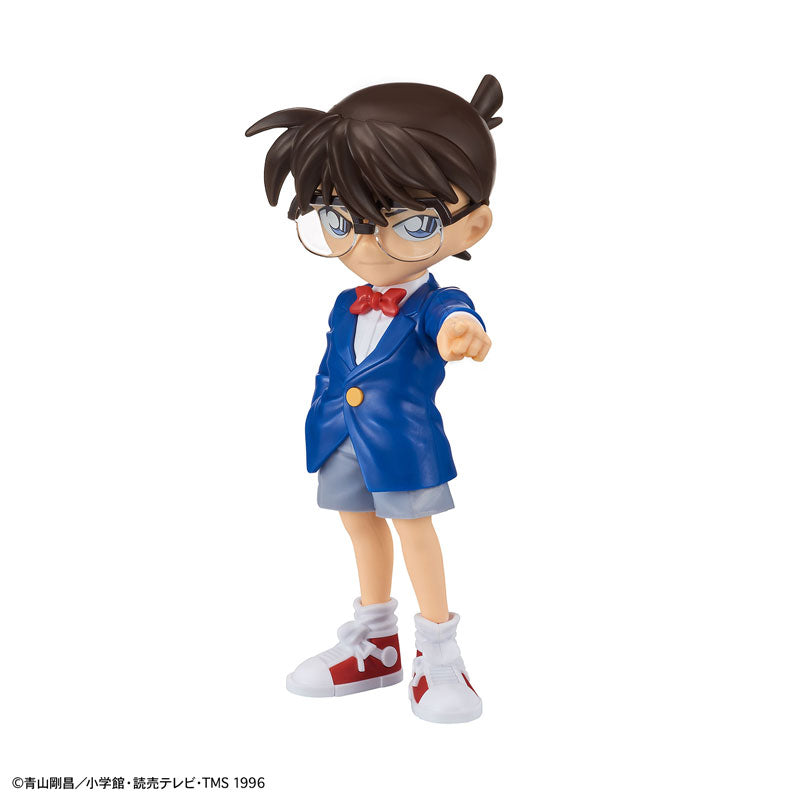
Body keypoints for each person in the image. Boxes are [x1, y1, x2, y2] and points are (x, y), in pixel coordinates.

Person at [246, 75, 502, 723]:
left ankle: (439, 654)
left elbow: (451, 313)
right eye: (339, 218)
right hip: (340, 438)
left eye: (409, 223)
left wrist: (459, 331)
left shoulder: (434, 301)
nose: (364, 244)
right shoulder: (345, 302)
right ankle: (376, 642)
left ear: (472, 226)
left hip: (402, 447)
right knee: (358, 527)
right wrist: (321, 420)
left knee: (415, 534)